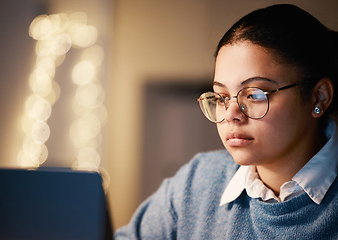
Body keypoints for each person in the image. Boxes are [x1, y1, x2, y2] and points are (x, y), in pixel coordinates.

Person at [114, 4, 338, 239]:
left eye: (254, 94)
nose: (231, 114)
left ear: (319, 97)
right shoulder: (197, 181)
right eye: (221, 97)